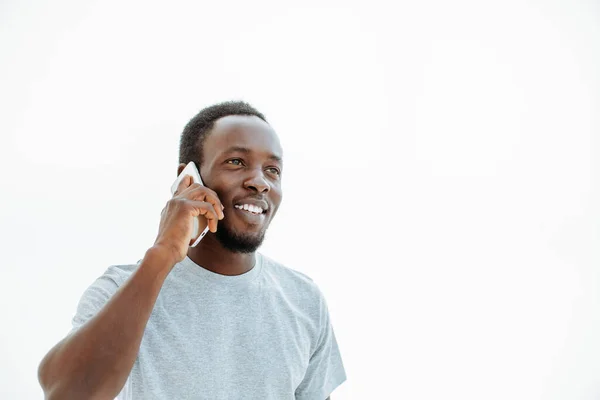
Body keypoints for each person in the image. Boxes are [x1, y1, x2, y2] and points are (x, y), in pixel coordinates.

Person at [37, 101, 346, 400]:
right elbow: (68, 394)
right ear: (188, 179)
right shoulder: (121, 289)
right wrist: (165, 251)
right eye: (236, 162)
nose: (260, 182)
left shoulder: (304, 300)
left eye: (272, 170)